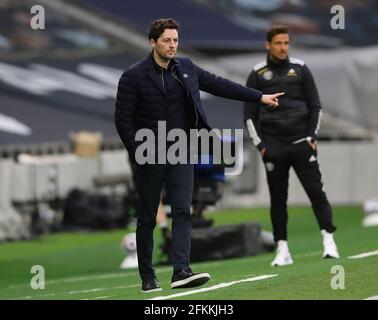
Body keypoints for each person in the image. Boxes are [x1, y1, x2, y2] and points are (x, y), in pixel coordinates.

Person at [115, 18, 283, 293]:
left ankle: (181, 270)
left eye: (175, 40)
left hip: (182, 150)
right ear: (153, 42)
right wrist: (137, 151)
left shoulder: (186, 68)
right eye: (167, 40)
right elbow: (123, 120)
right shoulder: (132, 76)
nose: (172, 45)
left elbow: (220, 85)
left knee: (183, 210)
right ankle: (148, 276)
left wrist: (258, 97)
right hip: (149, 153)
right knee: (147, 217)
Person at [244, 25, 340, 267]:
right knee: (278, 200)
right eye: (278, 43)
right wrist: (261, 146)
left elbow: (315, 105)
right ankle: (282, 249)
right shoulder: (257, 74)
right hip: (273, 147)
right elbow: (249, 116)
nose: (283, 48)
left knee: (316, 193)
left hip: (301, 143)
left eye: (286, 43)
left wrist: (310, 137)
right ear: (268, 45)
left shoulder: (301, 69)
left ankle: (329, 240)